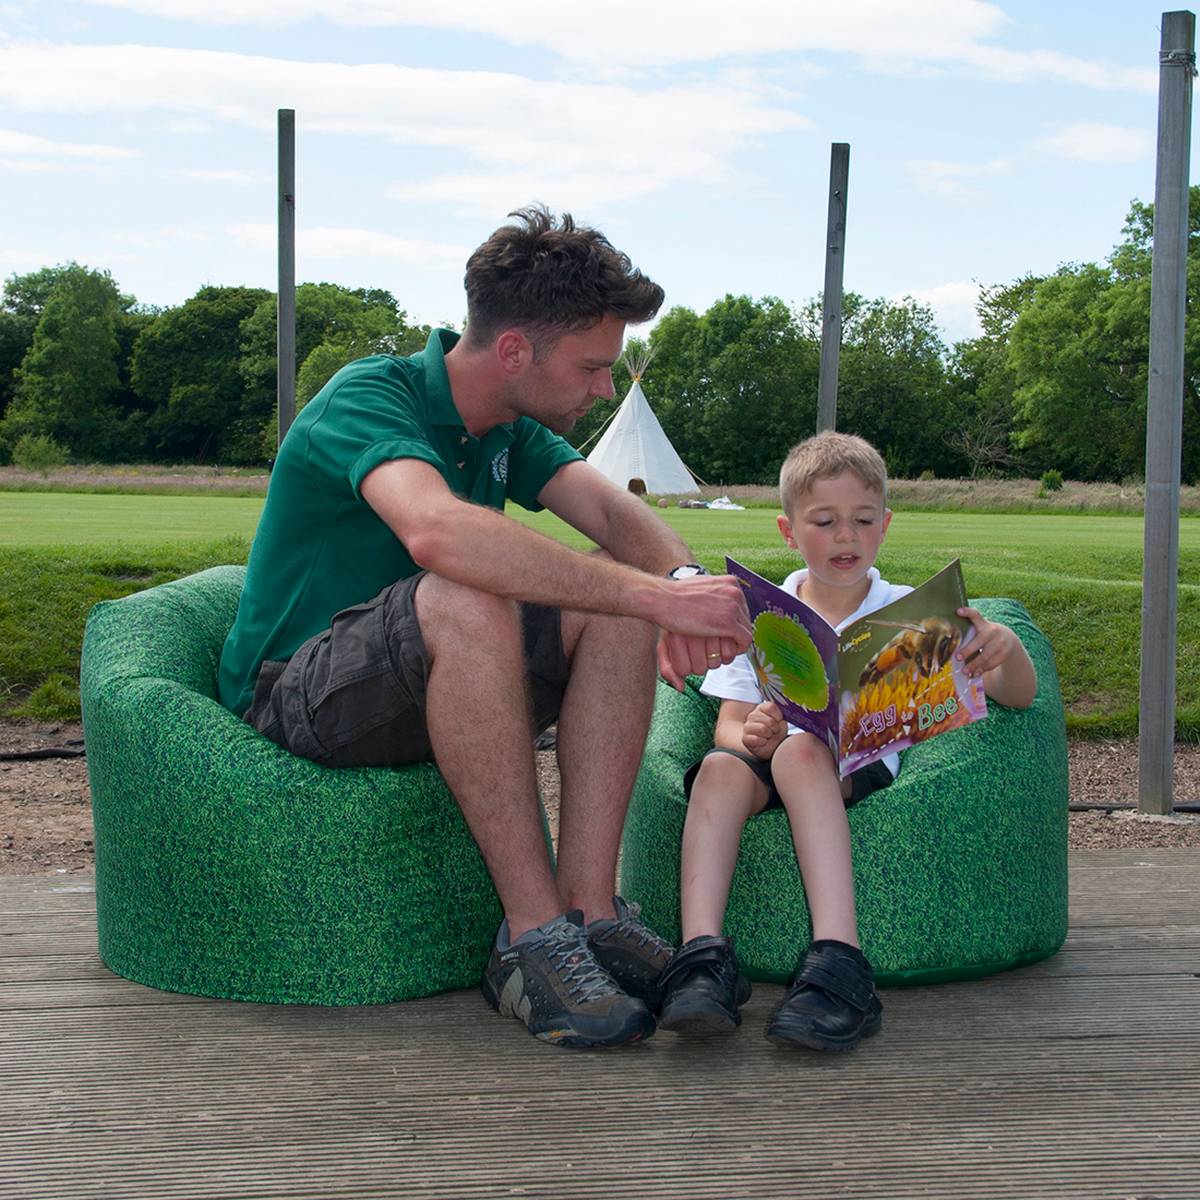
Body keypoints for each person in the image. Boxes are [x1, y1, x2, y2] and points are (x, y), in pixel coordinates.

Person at [216, 206, 752, 1049]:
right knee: (465, 589)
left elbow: (618, 517)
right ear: (514, 352)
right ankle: (531, 942)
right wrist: (657, 601)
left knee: (615, 599)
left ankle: (592, 913)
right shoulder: (369, 395)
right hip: (296, 692)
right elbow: (436, 532)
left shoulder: (512, 427)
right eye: (592, 367)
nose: (605, 389)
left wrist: (678, 582)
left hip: (429, 676)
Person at [656, 431, 1038, 1051]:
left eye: (862, 520)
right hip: (762, 764)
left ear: (884, 526)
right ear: (788, 530)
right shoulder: (764, 616)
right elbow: (727, 725)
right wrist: (750, 731)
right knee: (719, 770)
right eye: (825, 521)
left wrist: (1006, 650)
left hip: (850, 765)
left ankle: (839, 962)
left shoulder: (912, 615)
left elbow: (1018, 695)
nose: (845, 537)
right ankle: (702, 959)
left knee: (803, 750)